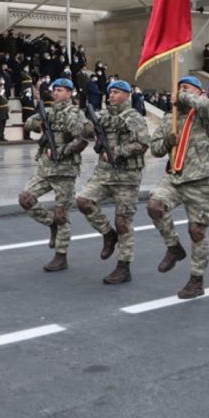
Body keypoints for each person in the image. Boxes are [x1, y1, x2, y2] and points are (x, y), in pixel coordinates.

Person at [146, 75, 209, 299]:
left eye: (187, 88)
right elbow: (156, 149)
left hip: (200, 180)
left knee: (197, 231)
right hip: (175, 176)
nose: (180, 92)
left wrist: (185, 96)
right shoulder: (171, 118)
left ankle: (196, 280)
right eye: (179, 89)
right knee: (155, 206)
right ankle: (173, 246)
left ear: (198, 92)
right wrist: (169, 141)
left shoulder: (205, 113)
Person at [76, 80, 150, 285]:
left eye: (116, 92)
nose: (111, 96)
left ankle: (124, 266)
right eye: (110, 93)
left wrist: (119, 152)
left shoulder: (134, 117)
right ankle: (108, 234)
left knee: (123, 222)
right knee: (83, 201)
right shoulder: (104, 116)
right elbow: (86, 132)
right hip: (104, 174)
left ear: (127, 95)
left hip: (127, 177)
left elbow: (143, 143)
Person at [20, 78, 94, 272]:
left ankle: (61, 255)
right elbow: (28, 123)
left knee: (62, 213)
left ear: (70, 93)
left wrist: (61, 151)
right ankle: (50, 223)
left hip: (65, 170)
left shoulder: (75, 114)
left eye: (60, 90)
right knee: (25, 198)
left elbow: (82, 140)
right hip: (45, 169)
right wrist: (38, 124)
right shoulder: (49, 112)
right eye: (55, 90)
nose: (56, 93)